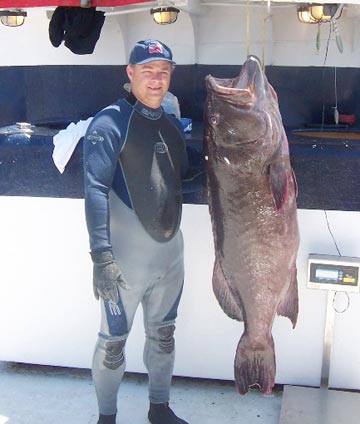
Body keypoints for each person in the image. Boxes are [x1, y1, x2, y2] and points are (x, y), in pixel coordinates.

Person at [83, 39, 191, 424]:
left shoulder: (172, 122)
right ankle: (106, 418)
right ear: (130, 74)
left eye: (164, 72)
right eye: (148, 71)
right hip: (125, 262)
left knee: (164, 335)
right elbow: (94, 190)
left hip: (169, 255)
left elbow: (184, 178)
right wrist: (101, 257)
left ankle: (159, 409)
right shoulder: (109, 122)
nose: (157, 79)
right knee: (113, 344)